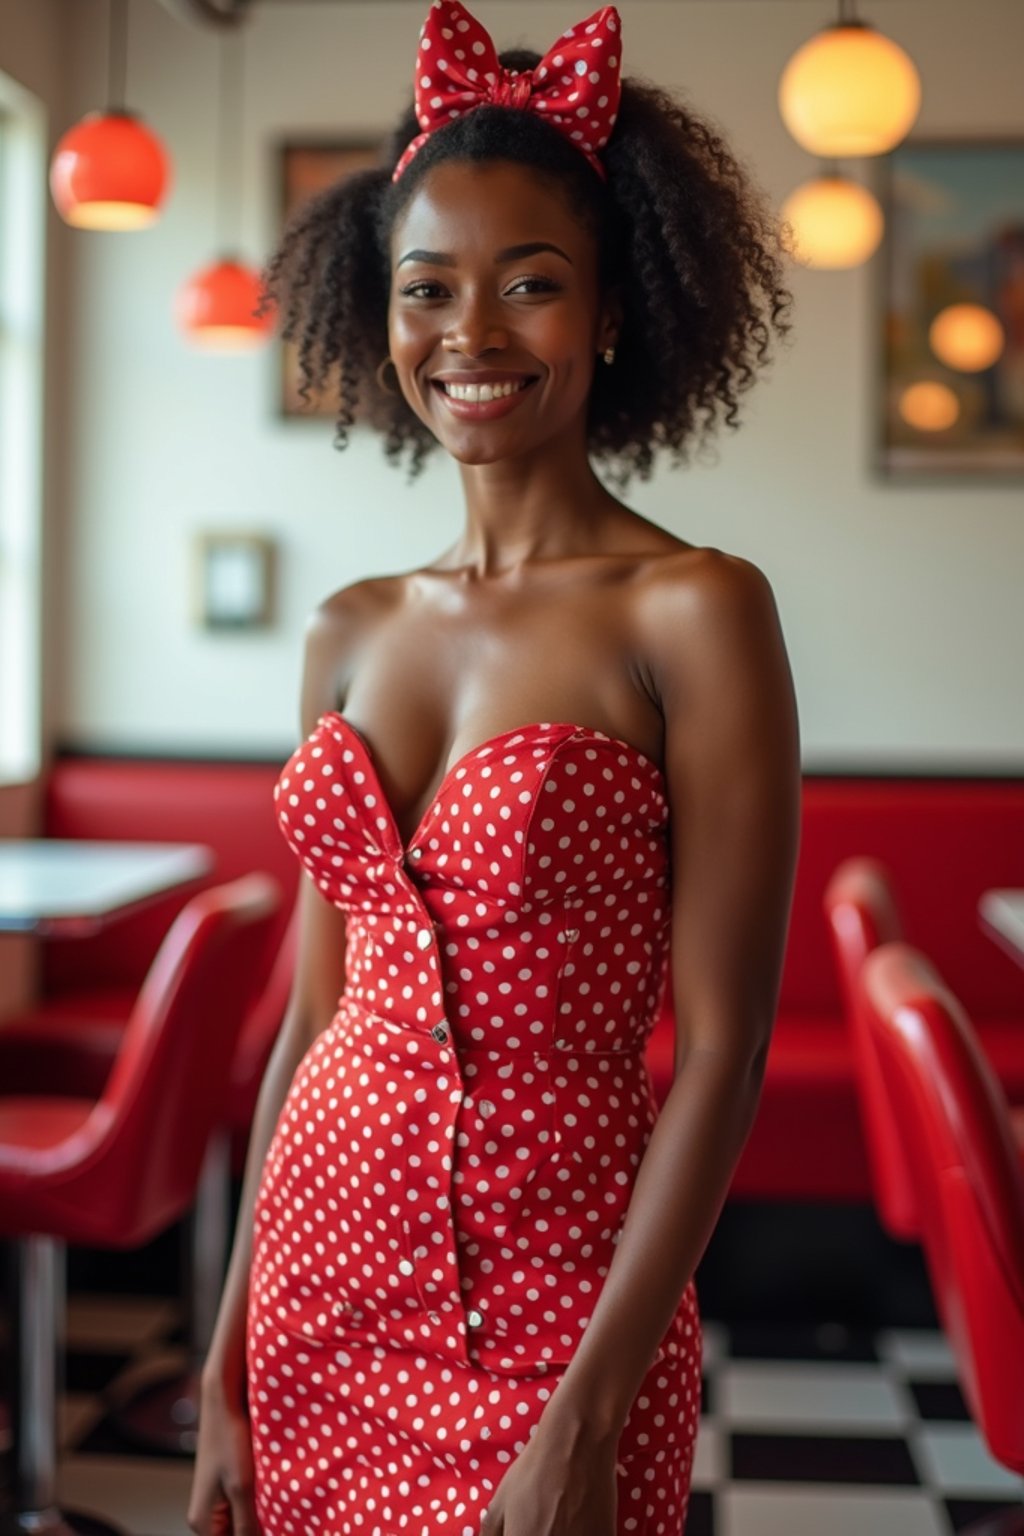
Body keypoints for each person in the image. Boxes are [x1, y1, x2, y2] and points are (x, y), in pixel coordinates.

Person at [187, 2, 801, 1531]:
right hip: (319, 1278)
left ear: (610, 312)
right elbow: (315, 1017)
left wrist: (590, 1414)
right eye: (428, 290)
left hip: (563, 1301)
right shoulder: (344, 630)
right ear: (377, 317)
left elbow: (722, 1055)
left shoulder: (698, 610)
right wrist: (224, 1357)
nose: (471, 334)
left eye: (530, 284)